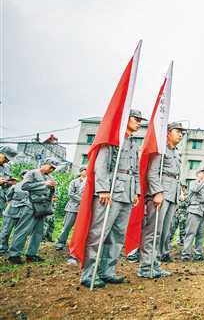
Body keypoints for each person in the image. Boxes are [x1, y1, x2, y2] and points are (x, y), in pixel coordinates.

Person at [80, 109, 144, 288]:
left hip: (127, 193)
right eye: (136, 119)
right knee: (99, 233)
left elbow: (135, 169)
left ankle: (107, 271)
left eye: (140, 120)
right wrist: (103, 189)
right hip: (111, 191)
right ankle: (89, 273)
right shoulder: (113, 137)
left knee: (117, 235)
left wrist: (136, 192)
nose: (139, 122)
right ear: (125, 119)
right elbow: (101, 164)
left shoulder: (132, 142)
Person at [138, 121, 184, 278]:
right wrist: (157, 192)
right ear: (168, 133)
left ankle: (154, 264)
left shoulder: (176, 152)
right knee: (153, 231)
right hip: (161, 194)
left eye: (181, 132)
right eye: (178, 131)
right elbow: (152, 172)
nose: (180, 135)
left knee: (163, 233)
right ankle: (145, 267)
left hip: (172, 195)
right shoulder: (160, 149)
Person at [7, 158, 60, 264]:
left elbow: (50, 191)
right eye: (51, 167)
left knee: (38, 232)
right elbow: (24, 186)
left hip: (42, 207)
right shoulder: (32, 173)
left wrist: (52, 189)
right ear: (45, 164)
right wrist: (44, 184)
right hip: (30, 206)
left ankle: (31, 254)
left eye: (54, 168)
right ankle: (14, 255)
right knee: (23, 230)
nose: (52, 170)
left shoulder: (49, 177)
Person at [181, 167, 204, 261]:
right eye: (202, 172)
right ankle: (186, 254)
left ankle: (198, 254)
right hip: (194, 210)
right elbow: (195, 189)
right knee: (190, 233)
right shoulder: (193, 183)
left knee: (201, 234)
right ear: (197, 174)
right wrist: (203, 180)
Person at [55, 167, 87, 250]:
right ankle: (60, 243)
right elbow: (71, 194)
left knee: (81, 229)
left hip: (84, 209)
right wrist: (83, 200)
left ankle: (77, 245)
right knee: (66, 226)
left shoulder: (89, 182)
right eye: (85, 170)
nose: (86, 171)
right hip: (73, 207)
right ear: (80, 172)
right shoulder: (74, 182)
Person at [0, 174, 22, 254]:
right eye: (11, 180)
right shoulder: (6, 188)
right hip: (10, 212)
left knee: (18, 232)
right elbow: (8, 198)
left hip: (20, 213)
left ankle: (14, 249)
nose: (13, 182)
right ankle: (2, 248)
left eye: (14, 180)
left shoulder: (22, 187)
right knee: (6, 231)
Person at [0, 146, 18, 215]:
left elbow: (7, 178)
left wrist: (10, 182)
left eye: (9, 160)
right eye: (6, 158)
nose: (7, 161)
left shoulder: (7, 167)